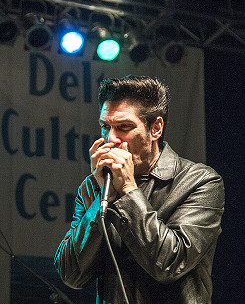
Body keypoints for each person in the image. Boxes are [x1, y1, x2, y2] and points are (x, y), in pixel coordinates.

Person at [54, 75, 225, 304]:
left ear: (155, 128)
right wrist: (101, 198)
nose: (110, 139)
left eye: (124, 127)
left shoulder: (200, 182)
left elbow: (169, 264)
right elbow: (70, 274)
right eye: (105, 127)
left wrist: (126, 189)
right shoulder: (93, 186)